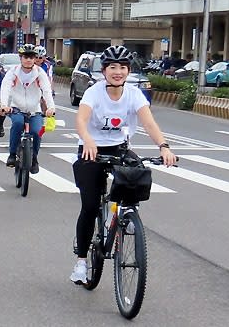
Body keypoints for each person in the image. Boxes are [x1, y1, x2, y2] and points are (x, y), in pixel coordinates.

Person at [69, 45, 176, 284]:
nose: (118, 72)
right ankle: (81, 261)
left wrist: (164, 146)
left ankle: (124, 216)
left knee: (136, 182)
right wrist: (87, 140)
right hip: (91, 149)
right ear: (105, 71)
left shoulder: (134, 94)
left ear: (128, 71)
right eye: (112, 67)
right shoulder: (94, 92)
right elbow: (81, 119)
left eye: (123, 68)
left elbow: (149, 123)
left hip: (119, 148)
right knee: (89, 205)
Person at [0, 43, 55, 174]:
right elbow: (6, 87)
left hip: (34, 109)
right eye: (26, 57)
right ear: (20, 58)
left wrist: (51, 107)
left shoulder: (40, 73)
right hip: (16, 108)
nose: (29, 60)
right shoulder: (13, 71)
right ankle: (12, 154)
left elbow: (47, 90)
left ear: (35, 58)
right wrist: (4, 105)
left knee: (37, 132)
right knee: (18, 124)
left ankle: (34, 158)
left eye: (31, 57)